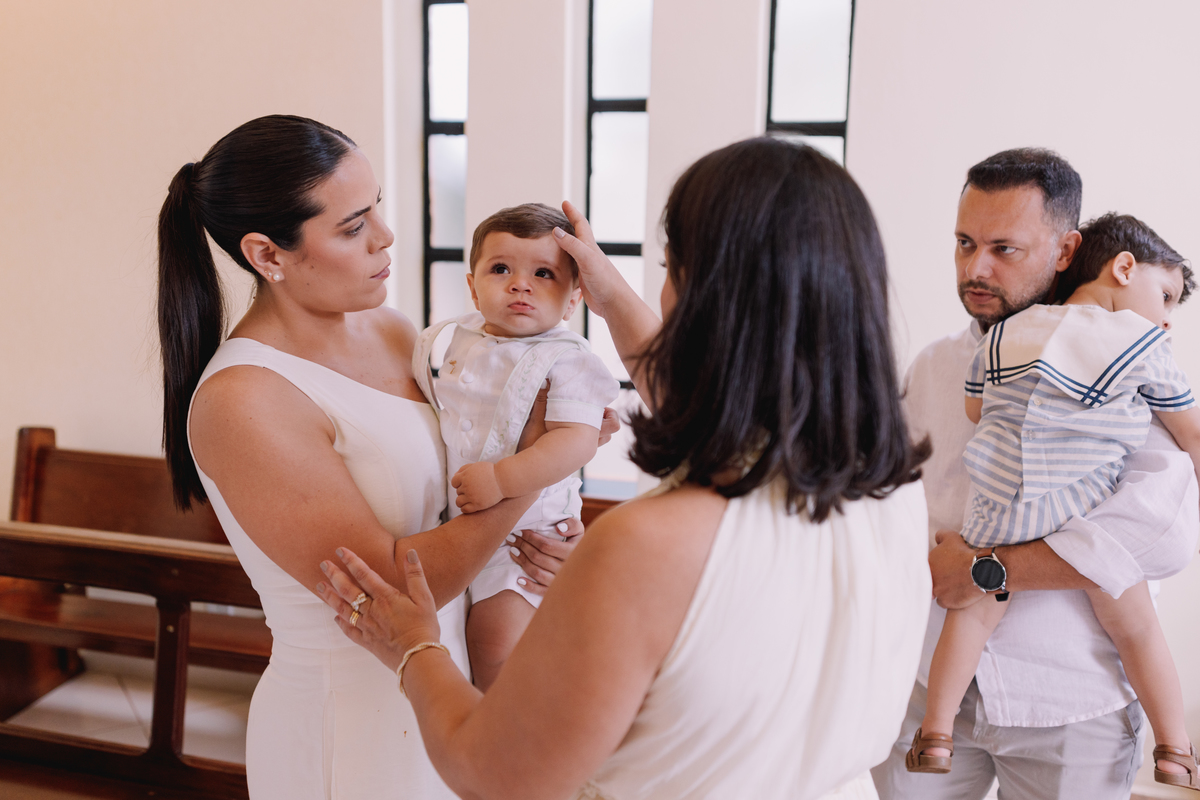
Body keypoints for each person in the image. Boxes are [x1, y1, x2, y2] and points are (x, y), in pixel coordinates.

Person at [316, 137, 934, 800]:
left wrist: (413, 646)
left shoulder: (649, 544)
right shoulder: (891, 495)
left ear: (699, 299)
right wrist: (606, 295)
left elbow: (494, 774)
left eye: (668, 270)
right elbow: (699, 391)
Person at [157, 115, 607, 799]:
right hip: (350, 726)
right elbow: (391, 588)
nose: (385, 237)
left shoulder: (397, 333)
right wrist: (533, 466)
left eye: (377, 209)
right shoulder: (243, 399)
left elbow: (463, 485)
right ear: (267, 254)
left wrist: (544, 540)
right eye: (351, 226)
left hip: (446, 695)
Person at [872, 149, 1200, 799]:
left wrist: (983, 569)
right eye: (964, 243)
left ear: (1063, 249)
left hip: (1073, 703)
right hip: (928, 688)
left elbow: (1159, 540)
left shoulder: (1130, 365)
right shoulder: (937, 364)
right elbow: (893, 502)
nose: (975, 268)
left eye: (1004, 249)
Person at [411, 203, 619, 690]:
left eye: (543, 274)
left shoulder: (568, 360)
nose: (520, 283)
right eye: (501, 269)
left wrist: (501, 480)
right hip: (458, 525)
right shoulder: (453, 342)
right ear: (472, 286)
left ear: (572, 301)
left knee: (495, 643)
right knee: (463, 638)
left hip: (526, 537)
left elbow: (575, 441)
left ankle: (500, 735)